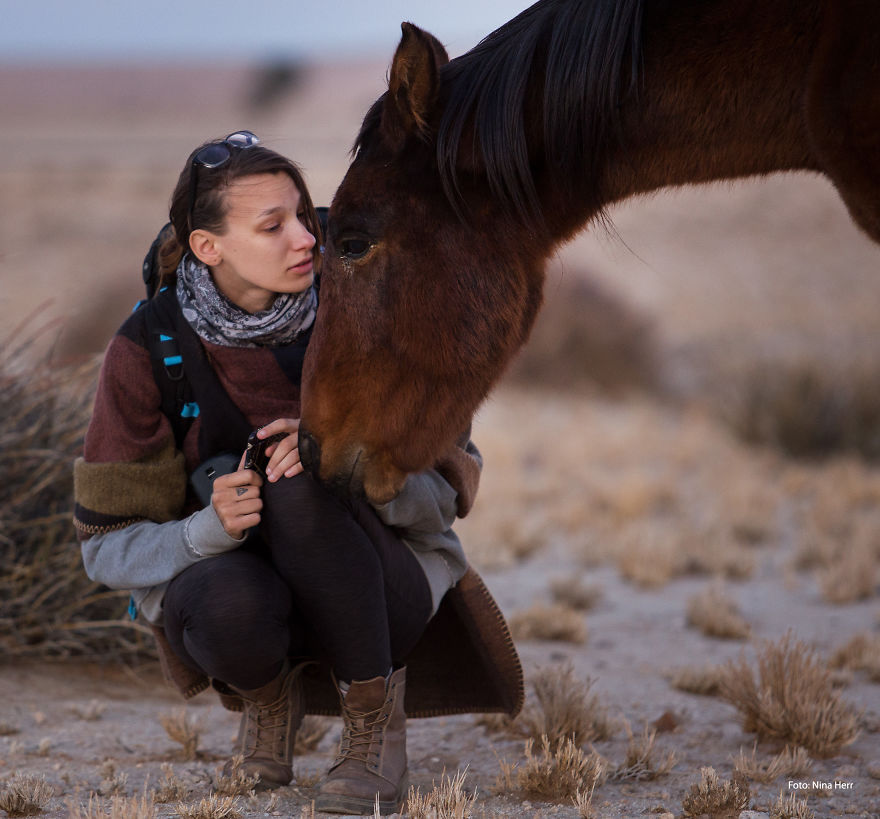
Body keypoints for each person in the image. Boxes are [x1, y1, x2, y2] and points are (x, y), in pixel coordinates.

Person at [73, 132, 522, 815]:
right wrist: (205, 530)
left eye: (303, 216)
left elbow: (445, 499)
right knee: (227, 605)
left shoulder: (376, 308)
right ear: (208, 247)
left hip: (383, 594)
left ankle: (373, 721)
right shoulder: (147, 348)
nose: (305, 238)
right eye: (272, 225)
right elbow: (105, 547)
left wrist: (346, 464)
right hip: (238, 597)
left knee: (299, 483)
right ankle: (268, 700)